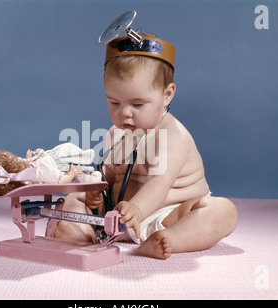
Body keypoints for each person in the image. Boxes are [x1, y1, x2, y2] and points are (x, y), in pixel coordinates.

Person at [48, 30, 238, 260]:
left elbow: (161, 181)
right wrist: (95, 195)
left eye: (137, 104)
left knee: (223, 211)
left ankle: (170, 239)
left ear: (167, 95)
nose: (124, 113)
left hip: (168, 215)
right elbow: (107, 176)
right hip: (117, 216)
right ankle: (81, 232)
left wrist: (137, 210)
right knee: (74, 197)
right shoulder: (115, 134)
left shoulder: (173, 134)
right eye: (114, 102)